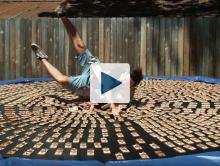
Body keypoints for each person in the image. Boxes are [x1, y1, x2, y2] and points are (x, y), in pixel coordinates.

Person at [31, 2, 143, 115]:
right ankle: (62, 14)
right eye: (126, 79)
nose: (124, 82)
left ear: (132, 87)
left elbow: (118, 101)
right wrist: (113, 106)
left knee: (61, 80)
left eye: (128, 84)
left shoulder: (129, 92)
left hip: (87, 83)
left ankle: (42, 58)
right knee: (80, 45)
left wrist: (112, 105)